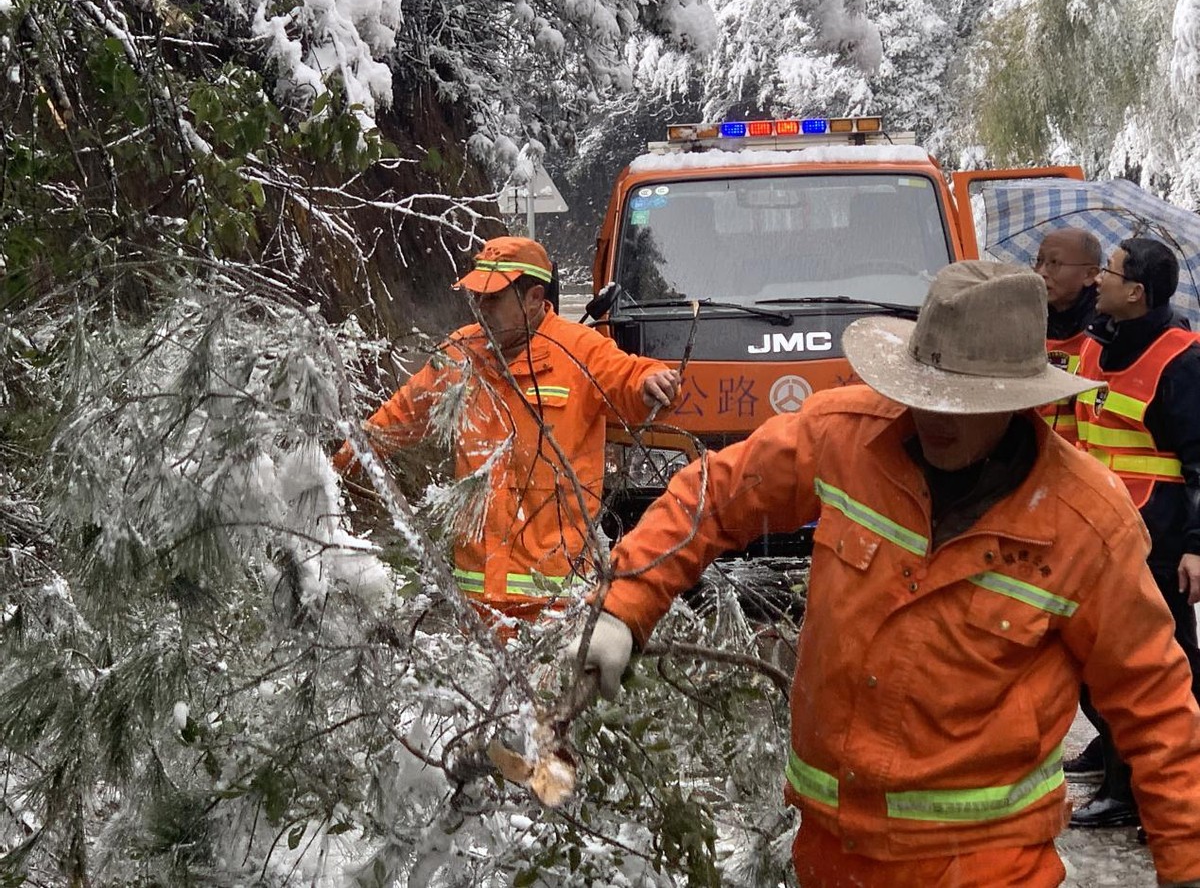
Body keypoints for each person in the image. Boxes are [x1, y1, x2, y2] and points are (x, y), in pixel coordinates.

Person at [568, 261, 1200, 887]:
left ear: (1015, 404)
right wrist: (624, 606)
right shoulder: (847, 437)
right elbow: (714, 494)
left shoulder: (1084, 523)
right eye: (923, 393)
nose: (934, 418)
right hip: (831, 857)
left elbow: (1157, 709)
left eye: (962, 403)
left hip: (986, 868)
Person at [335, 236, 680, 621]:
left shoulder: (580, 350)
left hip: (554, 605)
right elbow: (395, 421)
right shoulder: (459, 354)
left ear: (534, 298)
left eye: (493, 299)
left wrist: (654, 382)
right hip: (476, 600)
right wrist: (331, 470)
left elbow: (632, 376)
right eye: (478, 298)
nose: (481, 309)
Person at [1065, 236, 1200, 828]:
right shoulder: (1099, 342)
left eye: (1110, 273)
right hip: (1102, 530)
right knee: (1094, 656)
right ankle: (1121, 762)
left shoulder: (1183, 361)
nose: (1098, 280)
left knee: (1159, 666)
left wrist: (1196, 546)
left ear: (1136, 291)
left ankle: (1146, 792)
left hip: (1161, 538)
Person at [1032, 227, 1102, 443]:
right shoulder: (1025, 319)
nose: (1041, 272)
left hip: (1081, 461)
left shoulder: (1105, 330)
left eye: (1054, 263)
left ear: (1090, 275)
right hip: (1027, 457)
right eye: (1039, 261)